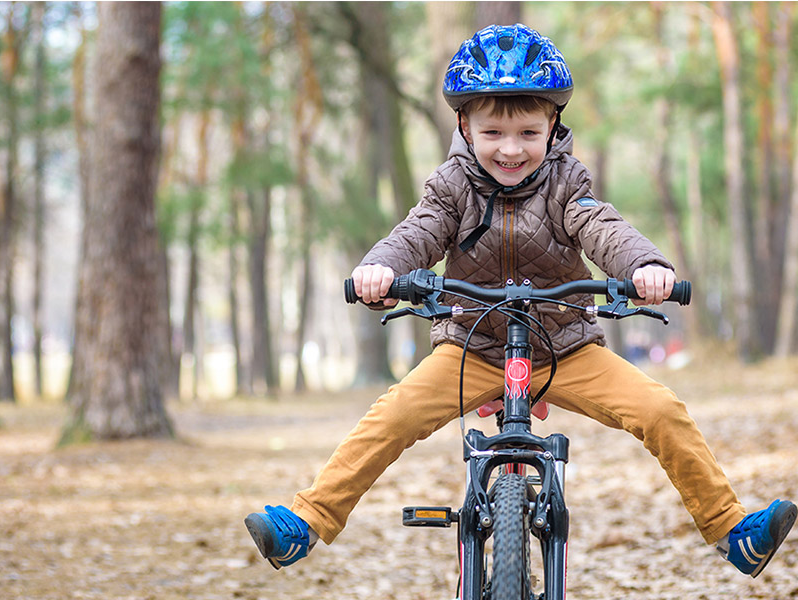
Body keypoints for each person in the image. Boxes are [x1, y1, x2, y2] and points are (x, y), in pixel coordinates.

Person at [244, 23, 795, 578]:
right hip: (474, 347)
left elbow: (602, 227)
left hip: (565, 349)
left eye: (529, 133)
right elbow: (419, 231)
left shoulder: (565, 182)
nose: (511, 150)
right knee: (390, 418)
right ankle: (307, 522)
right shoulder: (451, 186)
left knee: (660, 409)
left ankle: (730, 529)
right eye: (493, 134)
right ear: (464, 125)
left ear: (553, 126)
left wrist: (645, 267)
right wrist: (380, 269)